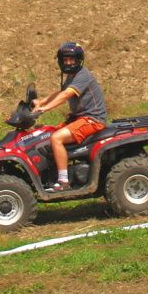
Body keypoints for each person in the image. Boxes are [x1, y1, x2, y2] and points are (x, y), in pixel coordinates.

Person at [32, 42, 107, 191]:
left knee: (56, 138)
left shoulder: (83, 75)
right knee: (46, 133)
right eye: (65, 60)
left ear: (78, 60)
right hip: (80, 118)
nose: (68, 62)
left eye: (71, 59)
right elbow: (61, 91)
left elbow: (66, 95)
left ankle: (63, 182)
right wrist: (41, 101)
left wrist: (44, 109)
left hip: (93, 119)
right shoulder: (72, 76)